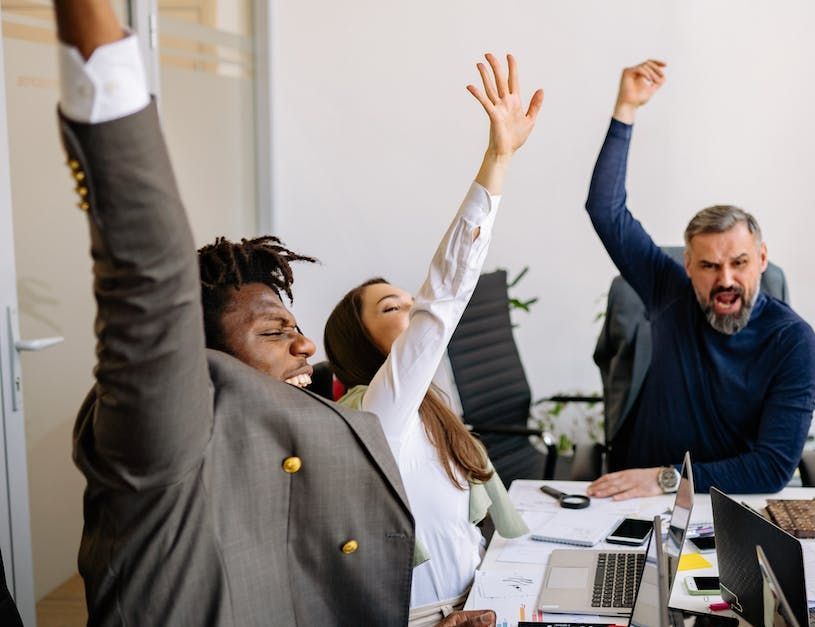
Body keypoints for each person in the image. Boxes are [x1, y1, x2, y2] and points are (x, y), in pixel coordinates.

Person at [56, 1, 492, 624]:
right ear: (195, 359)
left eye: (295, 328)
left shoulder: (306, 434)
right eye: (272, 331)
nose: (305, 347)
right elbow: (144, 279)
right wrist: (102, 56)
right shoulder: (166, 439)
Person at [323, 53, 540, 623]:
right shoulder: (378, 416)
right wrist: (498, 158)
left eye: (409, 301)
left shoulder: (430, 411)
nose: (415, 308)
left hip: (484, 601)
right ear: (361, 344)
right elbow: (444, 292)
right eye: (393, 307)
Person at [584, 60, 815, 499]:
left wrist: (663, 478)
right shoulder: (669, 291)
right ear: (688, 266)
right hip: (629, 499)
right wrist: (625, 109)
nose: (725, 279)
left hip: (726, 503)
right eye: (709, 266)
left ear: (763, 259)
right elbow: (605, 210)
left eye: (739, 262)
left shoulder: (793, 342)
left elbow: (770, 469)